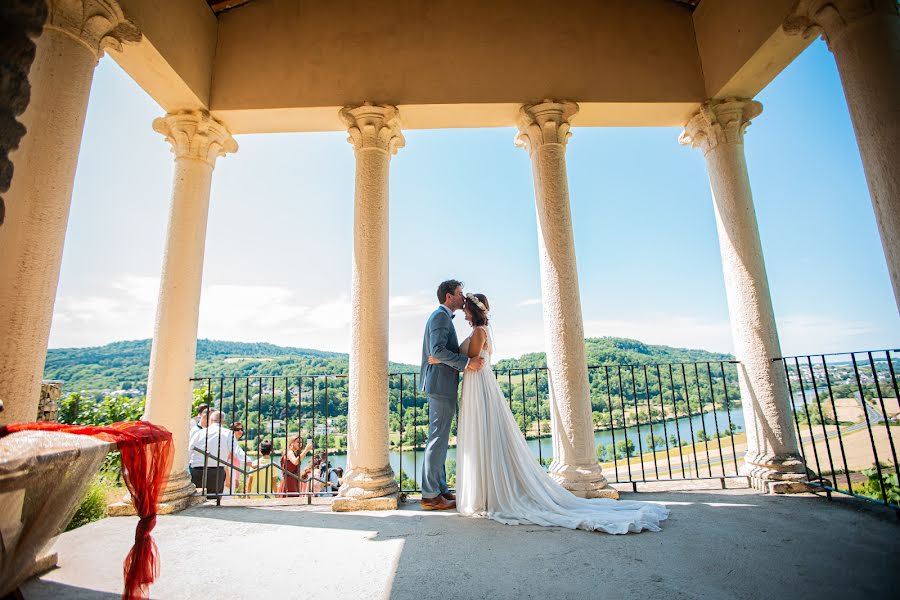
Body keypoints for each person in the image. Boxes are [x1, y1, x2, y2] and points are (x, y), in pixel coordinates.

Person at [428, 292, 670, 534]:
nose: (464, 310)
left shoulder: (479, 332)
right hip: (474, 386)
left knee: (484, 433)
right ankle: (483, 489)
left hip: (479, 386)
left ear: (472, 310)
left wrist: (440, 360)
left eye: (466, 307)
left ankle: (488, 491)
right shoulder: (478, 331)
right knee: (480, 436)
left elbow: (472, 360)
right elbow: (468, 359)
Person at [418, 279, 485, 511]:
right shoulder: (439, 317)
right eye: (459, 293)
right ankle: (429, 496)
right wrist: (467, 362)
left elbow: (439, 352)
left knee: (441, 439)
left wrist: (444, 356)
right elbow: (436, 350)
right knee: (437, 440)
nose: (462, 297)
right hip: (439, 386)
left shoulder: (443, 317)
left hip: (442, 384)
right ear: (449, 296)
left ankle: (440, 489)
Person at [188, 410, 248, 498]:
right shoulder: (227, 433)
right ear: (223, 421)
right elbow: (237, 451)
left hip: (197, 469)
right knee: (214, 499)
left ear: (210, 420)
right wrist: (250, 462)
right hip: (216, 471)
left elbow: (189, 449)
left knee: (198, 499)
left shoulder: (200, 433)